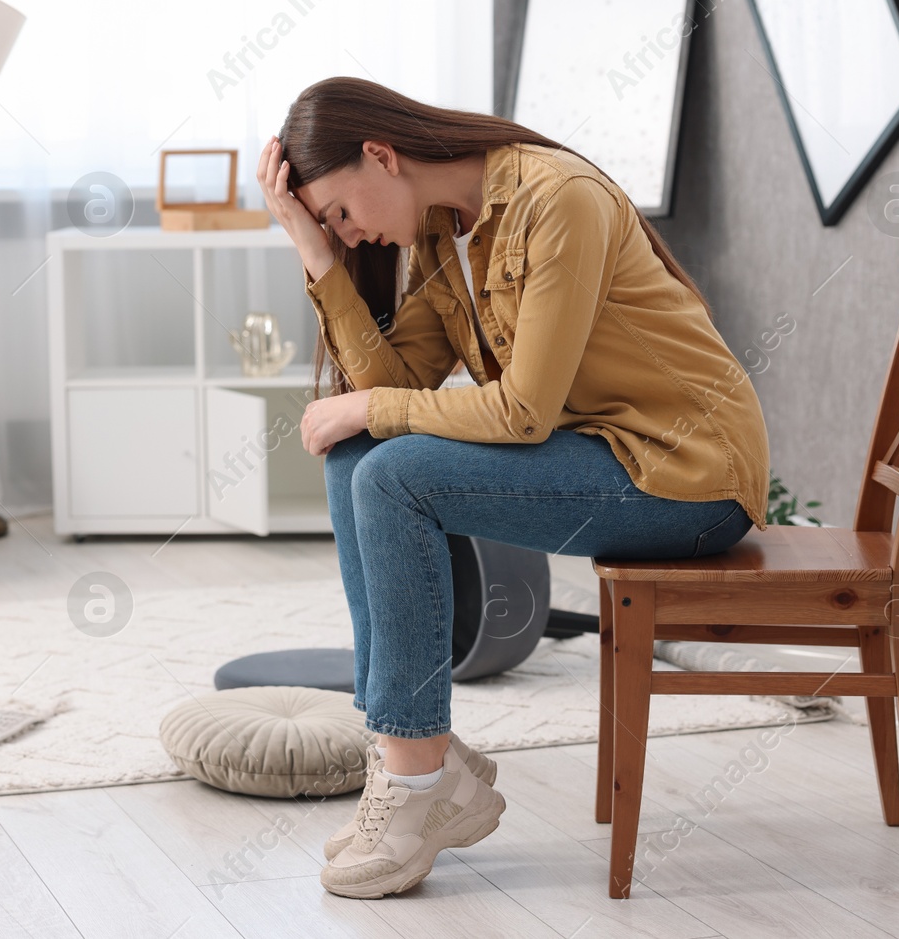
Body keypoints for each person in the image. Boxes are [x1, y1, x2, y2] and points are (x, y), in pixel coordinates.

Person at [254, 76, 771, 899]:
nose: (348, 235)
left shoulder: (556, 199)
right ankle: (412, 753)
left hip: (689, 477)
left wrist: (370, 403)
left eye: (339, 215)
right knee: (359, 457)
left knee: (388, 469)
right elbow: (392, 386)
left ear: (381, 156)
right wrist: (315, 256)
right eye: (330, 228)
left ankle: (420, 779)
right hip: (608, 455)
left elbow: (526, 411)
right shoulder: (442, 234)